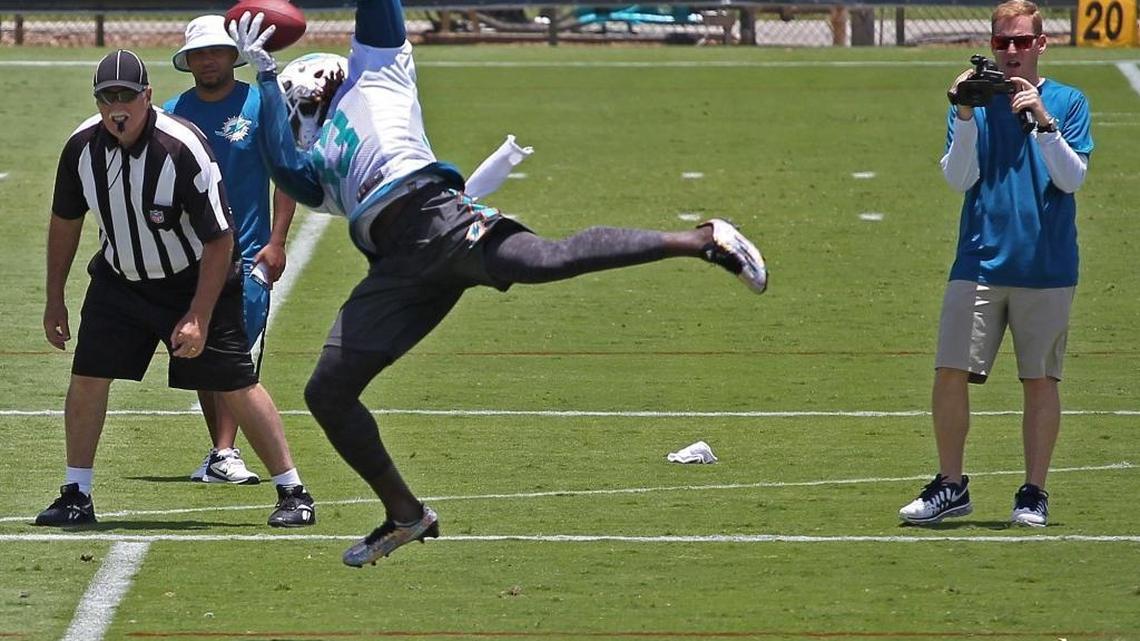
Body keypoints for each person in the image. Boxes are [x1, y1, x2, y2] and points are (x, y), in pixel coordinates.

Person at [228, 0, 767, 567]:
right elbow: (284, 167)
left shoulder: (377, 72)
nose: (295, 126)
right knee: (328, 392)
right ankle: (405, 514)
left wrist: (269, 75)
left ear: (310, 89)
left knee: (546, 260)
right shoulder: (316, 171)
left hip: (434, 216)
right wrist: (262, 72)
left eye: (294, 110)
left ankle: (702, 239)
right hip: (396, 264)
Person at [39, 49, 316, 528]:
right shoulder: (81, 147)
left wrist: (199, 315)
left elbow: (220, 239)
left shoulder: (182, 146)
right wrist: (54, 298)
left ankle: (293, 491)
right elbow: (65, 221)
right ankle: (76, 493)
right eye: (107, 98)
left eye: (127, 95)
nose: (117, 107)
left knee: (235, 381)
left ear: (148, 96)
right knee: (87, 376)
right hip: (121, 278)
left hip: (195, 276)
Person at [898, 0, 1092, 528]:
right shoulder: (975, 104)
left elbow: (1070, 179)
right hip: (979, 261)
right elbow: (959, 179)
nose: (1011, 51)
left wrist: (1042, 121)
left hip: (1047, 267)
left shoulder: (1069, 102)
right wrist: (963, 113)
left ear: (1041, 44)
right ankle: (951, 485)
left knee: (1040, 381)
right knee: (949, 372)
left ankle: (1033, 493)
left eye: (1022, 41)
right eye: (1003, 41)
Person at [164, 15, 299, 485]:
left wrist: (278, 241)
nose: (208, 60)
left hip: (248, 254)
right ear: (188, 61)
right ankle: (221, 452)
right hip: (191, 256)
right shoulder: (171, 112)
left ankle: (223, 450)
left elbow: (285, 171)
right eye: (199, 53)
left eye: (216, 51)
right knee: (203, 351)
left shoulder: (260, 103)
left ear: (231, 56)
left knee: (233, 351)